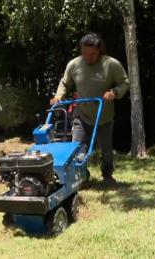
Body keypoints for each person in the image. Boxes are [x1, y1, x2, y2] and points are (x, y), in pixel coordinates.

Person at [50, 32, 130, 185]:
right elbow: (64, 83)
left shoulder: (111, 64)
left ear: (99, 50)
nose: (88, 57)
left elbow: (125, 83)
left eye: (92, 54)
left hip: (104, 116)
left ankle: (107, 176)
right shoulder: (74, 64)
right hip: (81, 115)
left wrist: (114, 92)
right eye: (84, 53)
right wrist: (58, 97)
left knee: (106, 149)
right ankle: (81, 176)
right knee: (77, 147)